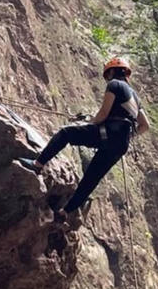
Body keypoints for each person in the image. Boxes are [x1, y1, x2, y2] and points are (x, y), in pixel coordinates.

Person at [30, 56, 150, 215]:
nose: (107, 79)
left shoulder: (115, 85)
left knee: (66, 133)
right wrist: (128, 136)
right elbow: (145, 125)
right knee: (92, 178)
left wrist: (88, 123)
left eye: (107, 75)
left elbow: (103, 114)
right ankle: (65, 212)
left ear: (112, 72)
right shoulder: (135, 98)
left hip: (107, 134)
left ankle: (37, 165)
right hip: (121, 144)